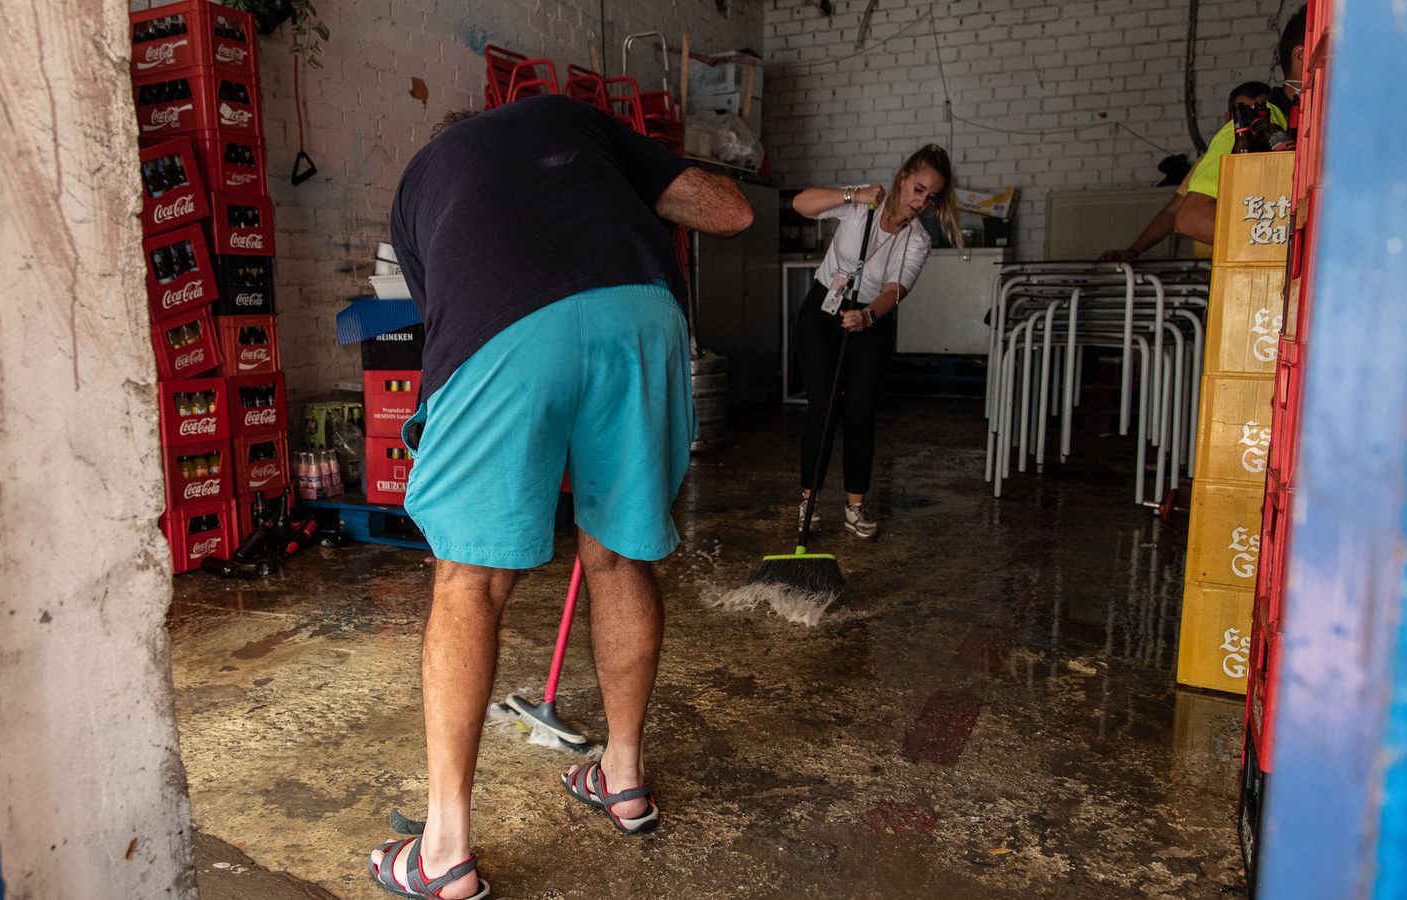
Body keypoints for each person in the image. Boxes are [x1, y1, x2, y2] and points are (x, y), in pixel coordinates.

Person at [367, 95, 751, 900]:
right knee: (617, 556)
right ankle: (623, 777)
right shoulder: (573, 122)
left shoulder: (421, 180)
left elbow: (446, 310)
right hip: (643, 312)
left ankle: (443, 852)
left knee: (470, 578)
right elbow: (732, 211)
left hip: (505, 323)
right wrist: (616, 181)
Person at [790, 144, 964, 540]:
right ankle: (808, 501)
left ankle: (855, 505)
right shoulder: (863, 205)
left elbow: (894, 289)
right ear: (903, 177)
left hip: (870, 318)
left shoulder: (917, 240)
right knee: (825, 404)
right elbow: (802, 204)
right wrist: (852, 195)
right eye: (918, 189)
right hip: (822, 311)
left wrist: (868, 315)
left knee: (860, 411)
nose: (921, 202)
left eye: (931, 197)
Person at [1100, 82, 1275, 262]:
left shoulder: (1280, 157)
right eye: (1243, 113)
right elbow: (1173, 212)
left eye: (1259, 112)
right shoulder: (1209, 161)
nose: (1253, 121)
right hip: (1212, 266)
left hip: (1254, 260)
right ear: (1227, 119)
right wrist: (1134, 251)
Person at [1175, 8, 1307, 244]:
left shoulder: (1319, 127)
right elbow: (1191, 217)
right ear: (1301, 56)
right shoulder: (1251, 127)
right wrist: (1287, 240)